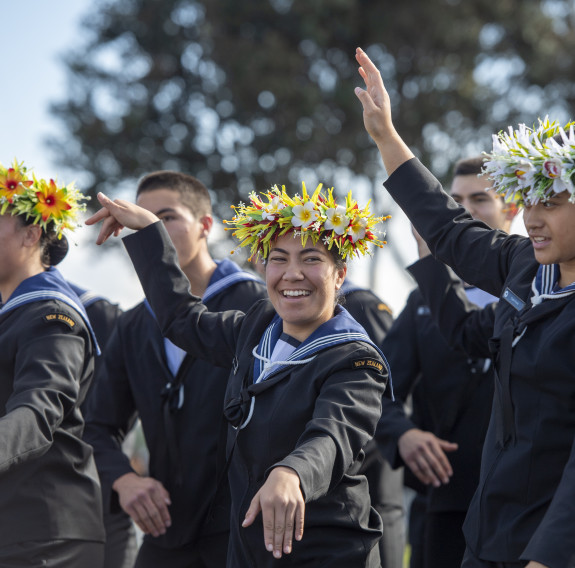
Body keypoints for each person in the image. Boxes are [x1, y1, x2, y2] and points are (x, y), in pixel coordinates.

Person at [86, 181, 391, 567]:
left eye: (311, 259)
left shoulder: (355, 358)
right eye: (278, 259)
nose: (292, 274)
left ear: (340, 273)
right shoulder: (256, 327)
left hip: (327, 551)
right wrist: (150, 232)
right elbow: (182, 317)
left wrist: (292, 472)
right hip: (249, 551)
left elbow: (332, 434)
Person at [355, 46, 575, 568]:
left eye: (553, 202)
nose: (532, 219)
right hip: (487, 534)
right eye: (530, 201)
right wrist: (388, 137)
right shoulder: (526, 265)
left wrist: (549, 555)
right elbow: (449, 228)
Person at [83, 171, 267, 568]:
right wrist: (125, 479)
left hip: (244, 532)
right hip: (165, 533)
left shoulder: (258, 304)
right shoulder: (132, 324)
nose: (151, 231)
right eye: (141, 219)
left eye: (165, 218)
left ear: (205, 225)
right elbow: (97, 425)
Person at [378, 155, 518, 568]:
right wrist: (402, 433)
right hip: (440, 508)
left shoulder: (539, 292)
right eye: (455, 201)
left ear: (512, 208)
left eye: (480, 199)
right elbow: (374, 387)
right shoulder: (424, 300)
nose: (465, 211)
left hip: (521, 507)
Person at [0, 160, 105, 566]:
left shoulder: (51, 314)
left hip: (46, 534)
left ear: (31, 234)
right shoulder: (14, 312)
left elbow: (38, 409)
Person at [341, 280, 406, 568]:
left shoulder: (360, 303)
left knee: (382, 522)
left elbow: (394, 381)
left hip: (374, 449)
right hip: (345, 453)